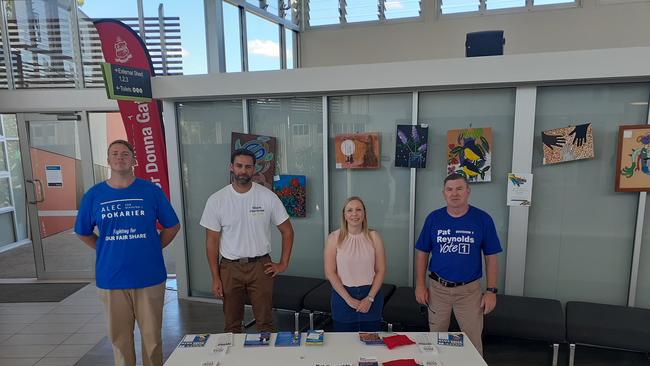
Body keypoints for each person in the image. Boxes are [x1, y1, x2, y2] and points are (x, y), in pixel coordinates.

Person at [75, 139, 180, 366]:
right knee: (119, 340)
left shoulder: (151, 191)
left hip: (149, 276)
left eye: (125, 153)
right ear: (108, 160)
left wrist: (153, 246)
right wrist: (104, 249)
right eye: (115, 153)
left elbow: (172, 225)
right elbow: (82, 231)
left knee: (152, 339)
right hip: (112, 278)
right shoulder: (94, 195)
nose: (120, 157)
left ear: (134, 159)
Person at [201, 148, 294, 333]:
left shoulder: (268, 197)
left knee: (265, 322)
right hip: (229, 268)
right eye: (239, 166)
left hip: (261, 267)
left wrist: (283, 263)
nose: (243, 171)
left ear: (254, 169)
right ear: (231, 167)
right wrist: (215, 277)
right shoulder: (217, 200)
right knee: (232, 324)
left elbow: (287, 231)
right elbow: (212, 241)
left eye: (248, 167)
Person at [414, 173, 502, 356]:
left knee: (472, 343)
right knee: (435, 341)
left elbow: (491, 257)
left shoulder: (483, 219)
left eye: (459, 188)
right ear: (444, 193)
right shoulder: (433, 219)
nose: (454, 193)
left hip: (469, 292)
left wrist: (491, 291)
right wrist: (420, 285)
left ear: (468, 191)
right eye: (449, 189)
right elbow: (422, 253)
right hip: (437, 289)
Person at [324, 196, 386, 332]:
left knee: (371, 346)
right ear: (344, 215)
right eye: (350, 210)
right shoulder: (334, 238)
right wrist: (349, 300)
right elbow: (330, 273)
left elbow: (381, 270)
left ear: (364, 214)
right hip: (343, 296)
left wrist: (369, 298)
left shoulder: (374, 237)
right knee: (345, 347)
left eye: (358, 210)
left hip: (371, 296)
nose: (354, 214)